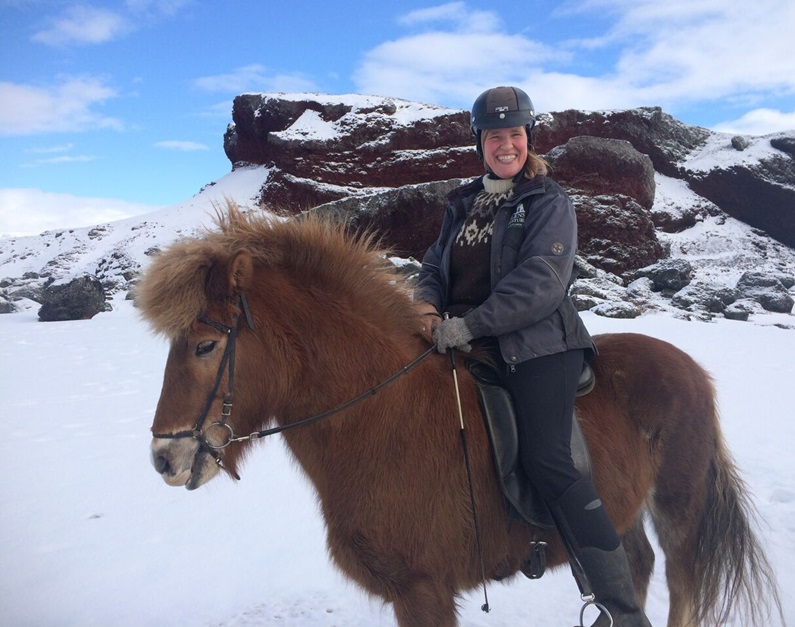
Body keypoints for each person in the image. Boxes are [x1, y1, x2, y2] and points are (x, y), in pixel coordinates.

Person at [414, 86, 652, 627]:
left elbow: (540, 284)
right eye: (495, 135)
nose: (506, 145)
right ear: (480, 142)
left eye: (515, 135)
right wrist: (427, 307)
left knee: (549, 457)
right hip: (461, 337)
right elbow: (432, 264)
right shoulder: (463, 203)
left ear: (528, 141)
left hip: (537, 343)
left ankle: (621, 613)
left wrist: (469, 324)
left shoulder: (547, 203)